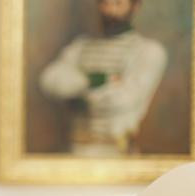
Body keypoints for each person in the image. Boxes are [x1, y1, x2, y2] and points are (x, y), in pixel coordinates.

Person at [39, 0, 167, 156]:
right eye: (105, 3)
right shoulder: (81, 46)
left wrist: (77, 95)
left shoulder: (148, 51)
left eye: (118, 3)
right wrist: (95, 80)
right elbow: (49, 80)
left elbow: (123, 98)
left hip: (118, 153)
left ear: (135, 6)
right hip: (76, 151)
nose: (110, 10)